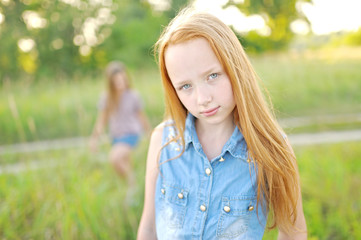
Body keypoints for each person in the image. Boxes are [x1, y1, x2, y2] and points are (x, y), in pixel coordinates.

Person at [137, 8, 307, 240]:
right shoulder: (163, 140)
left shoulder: (272, 147)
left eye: (212, 76)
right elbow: (149, 228)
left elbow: (293, 232)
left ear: (235, 68)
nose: (202, 98)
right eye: (186, 86)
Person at [89, 61, 150, 188]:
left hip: (131, 134)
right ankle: (132, 192)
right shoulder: (106, 98)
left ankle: (133, 185)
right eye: (117, 81)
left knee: (114, 158)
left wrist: (150, 134)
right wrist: (94, 139)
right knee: (125, 164)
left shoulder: (133, 96)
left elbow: (142, 117)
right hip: (116, 136)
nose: (120, 83)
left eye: (123, 79)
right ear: (110, 82)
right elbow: (101, 120)